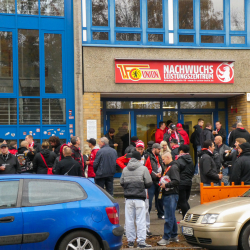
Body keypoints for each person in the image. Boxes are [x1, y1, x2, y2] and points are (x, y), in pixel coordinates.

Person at [117, 140, 152, 238]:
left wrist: (144, 172)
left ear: (143, 148)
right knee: (131, 214)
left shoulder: (146, 156)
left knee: (144, 209)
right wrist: (124, 167)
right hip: (132, 187)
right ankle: (131, 234)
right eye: (138, 148)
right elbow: (118, 160)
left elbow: (149, 168)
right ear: (136, 148)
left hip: (141, 185)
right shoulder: (129, 156)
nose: (140, 150)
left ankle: (146, 229)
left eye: (141, 148)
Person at [157, 152, 180, 246]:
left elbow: (176, 181)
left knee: (168, 217)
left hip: (171, 194)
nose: (162, 161)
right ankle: (174, 235)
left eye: (163, 159)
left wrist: (166, 185)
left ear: (168, 157)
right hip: (169, 194)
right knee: (171, 216)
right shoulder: (169, 167)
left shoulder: (173, 167)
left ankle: (166, 237)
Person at [145, 143, 165, 219]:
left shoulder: (158, 156)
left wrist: (162, 174)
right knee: (149, 200)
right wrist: (154, 175)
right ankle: (147, 215)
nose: (160, 150)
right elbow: (148, 169)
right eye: (158, 149)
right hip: (151, 181)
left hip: (159, 181)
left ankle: (161, 213)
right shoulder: (148, 156)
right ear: (154, 149)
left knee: (160, 198)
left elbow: (161, 166)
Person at [176, 145, 194, 218]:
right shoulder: (190, 160)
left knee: (182, 202)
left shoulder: (179, 160)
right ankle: (189, 216)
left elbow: (177, 171)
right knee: (185, 201)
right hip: (189, 182)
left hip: (181, 183)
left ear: (181, 151)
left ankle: (186, 218)